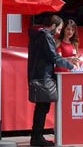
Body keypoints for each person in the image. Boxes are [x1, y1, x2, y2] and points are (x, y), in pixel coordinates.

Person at [28, 15, 80, 147]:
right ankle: (37, 138)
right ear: (52, 26)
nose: (58, 32)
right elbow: (54, 56)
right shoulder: (46, 37)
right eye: (59, 29)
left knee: (41, 108)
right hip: (44, 77)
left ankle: (36, 137)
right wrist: (71, 66)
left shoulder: (38, 35)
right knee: (43, 107)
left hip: (37, 75)